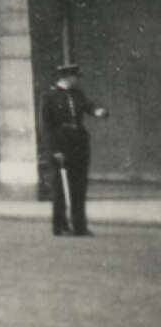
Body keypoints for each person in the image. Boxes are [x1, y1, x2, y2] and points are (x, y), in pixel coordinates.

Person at [42, 63, 108, 237]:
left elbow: (88, 106)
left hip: (79, 143)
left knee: (79, 186)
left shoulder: (78, 94)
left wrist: (98, 111)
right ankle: (60, 225)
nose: (77, 80)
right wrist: (55, 149)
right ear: (67, 77)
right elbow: (46, 126)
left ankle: (80, 226)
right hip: (61, 144)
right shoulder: (49, 96)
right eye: (75, 77)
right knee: (60, 188)